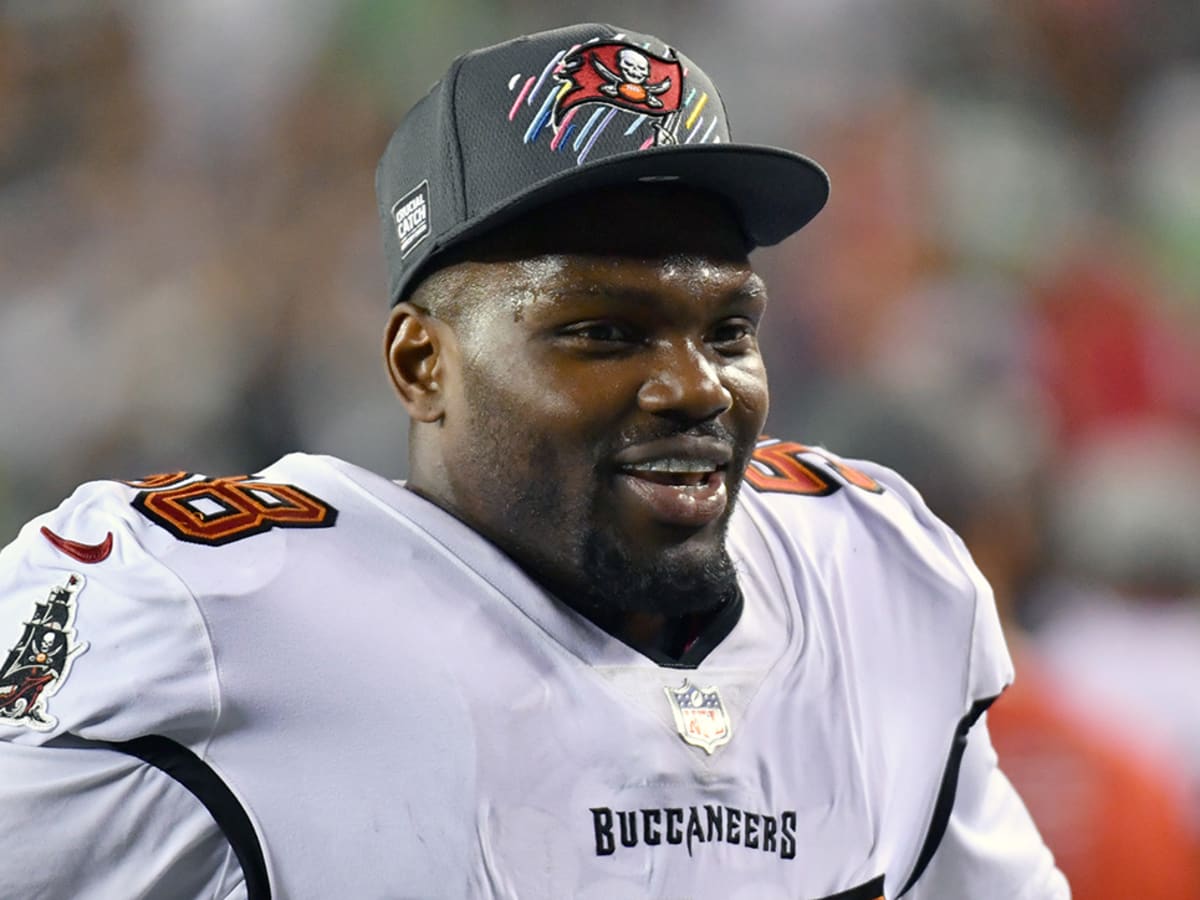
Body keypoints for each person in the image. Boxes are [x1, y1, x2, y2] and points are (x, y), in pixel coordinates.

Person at [0, 23, 1069, 899]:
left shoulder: (872, 572)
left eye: (729, 330)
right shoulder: (215, 614)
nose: (696, 385)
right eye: (605, 332)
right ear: (424, 365)